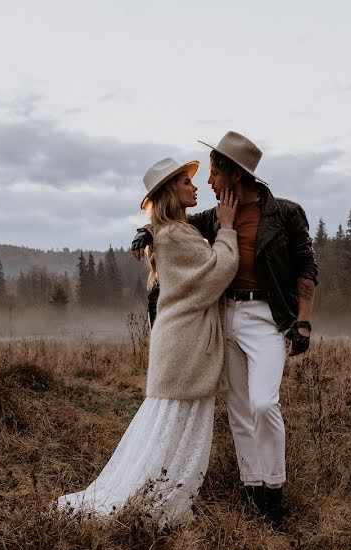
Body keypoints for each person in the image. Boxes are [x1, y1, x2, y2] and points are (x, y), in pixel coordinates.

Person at [131, 131, 318, 527]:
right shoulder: (213, 218)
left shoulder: (285, 213)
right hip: (227, 318)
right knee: (238, 410)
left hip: (267, 320)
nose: (209, 182)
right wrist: (144, 232)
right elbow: (171, 224)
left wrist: (302, 321)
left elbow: (306, 267)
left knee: (264, 404)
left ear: (233, 174)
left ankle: (275, 488)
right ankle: (255, 491)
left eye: (214, 173)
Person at [57, 157, 239, 524]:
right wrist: (229, 229)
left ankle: (157, 494)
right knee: (176, 423)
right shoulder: (175, 234)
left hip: (179, 343)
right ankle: (156, 502)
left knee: (171, 424)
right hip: (185, 344)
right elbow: (217, 272)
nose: (196, 186)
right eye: (187, 182)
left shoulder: (170, 230)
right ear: (172, 191)